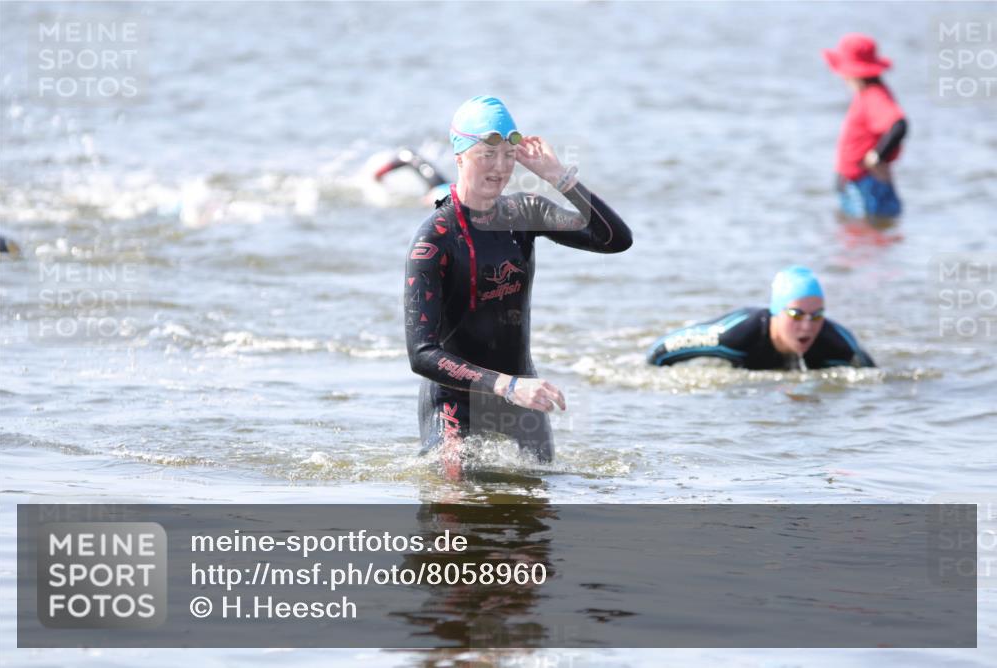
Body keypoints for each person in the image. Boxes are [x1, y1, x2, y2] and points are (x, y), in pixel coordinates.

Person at [404, 95, 632, 477]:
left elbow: (615, 240)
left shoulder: (524, 214)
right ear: (459, 156)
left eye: (509, 155)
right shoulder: (435, 239)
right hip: (455, 404)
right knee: (456, 517)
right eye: (487, 154)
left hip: (521, 396)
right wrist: (507, 387)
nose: (500, 167)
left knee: (536, 520)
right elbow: (422, 354)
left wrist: (560, 178)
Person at [647, 266, 875, 370]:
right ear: (776, 311)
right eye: (796, 314)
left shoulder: (838, 343)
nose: (807, 325)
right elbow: (660, 351)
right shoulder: (736, 335)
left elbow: (874, 379)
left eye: (817, 316)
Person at [824, 33, 908, 225]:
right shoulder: (868, 93)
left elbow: (899, 125)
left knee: (865, 238)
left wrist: (877, 157)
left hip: (866, 184)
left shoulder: (874, 96)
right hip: (860, 183)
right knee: (865, 236)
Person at [374, 148, 452, 205]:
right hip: (444, 188)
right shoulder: (413, 158)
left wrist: (378, 175)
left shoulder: (407, 156)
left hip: (440, 191)